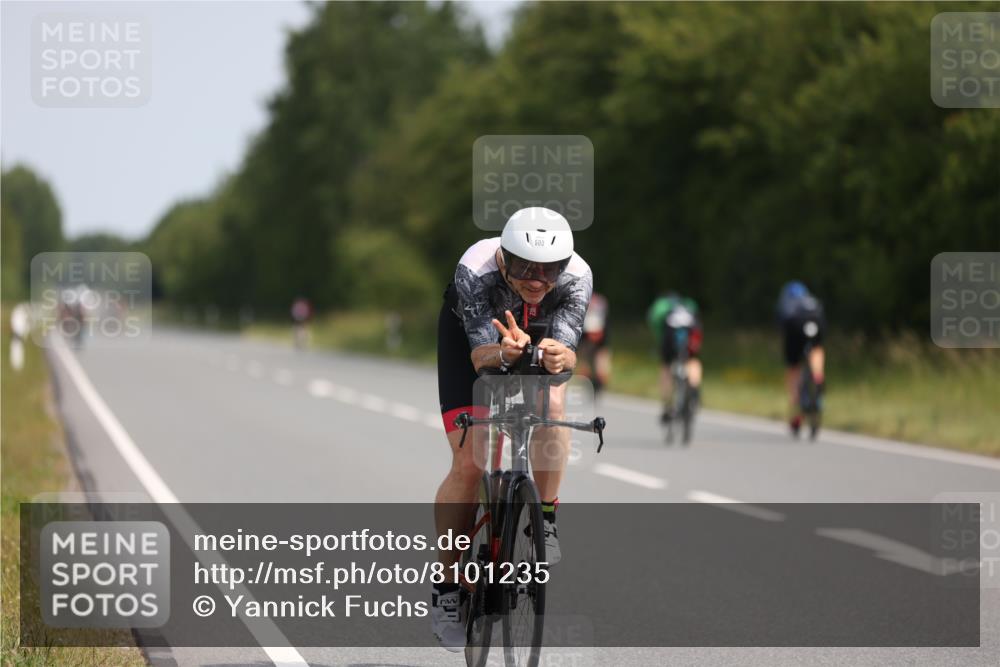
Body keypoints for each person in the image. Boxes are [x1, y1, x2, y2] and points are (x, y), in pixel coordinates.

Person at [433, 206, 592, 651]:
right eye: (524, 266)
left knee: (555, 397)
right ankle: (446, 586)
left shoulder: (577, 276)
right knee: (470, 461)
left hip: (537, 331)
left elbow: (567, 348)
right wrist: (503, 353)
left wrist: (564, 358)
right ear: (503, 257)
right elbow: (481, 358)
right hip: (475, 336)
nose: (537, 279)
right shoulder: (476, 270)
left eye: (550, 269)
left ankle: (545, 515)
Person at [777, 281, 826, 436]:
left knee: (794, 369)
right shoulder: (812, 302)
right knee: (817, 350)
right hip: (817, 323)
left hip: (795, 329)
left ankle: (796, 404)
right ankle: (818, 376)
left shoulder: (787, 303)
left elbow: (782, 326)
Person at [647, 292, 703, 424]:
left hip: (670, 333)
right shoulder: (689, 304)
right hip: (691, 329)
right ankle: (694, 389)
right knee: (693, 360)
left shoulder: (662, 306)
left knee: (666, 367)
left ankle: (667, 405)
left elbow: (655, 325)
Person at [577, 291, 611, 395]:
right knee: (597, 360)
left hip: (589, 331)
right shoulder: (601, 300)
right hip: (598, 331)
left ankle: (593, 383)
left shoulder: (581, 298)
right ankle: (596, 383)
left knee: (587, 359)